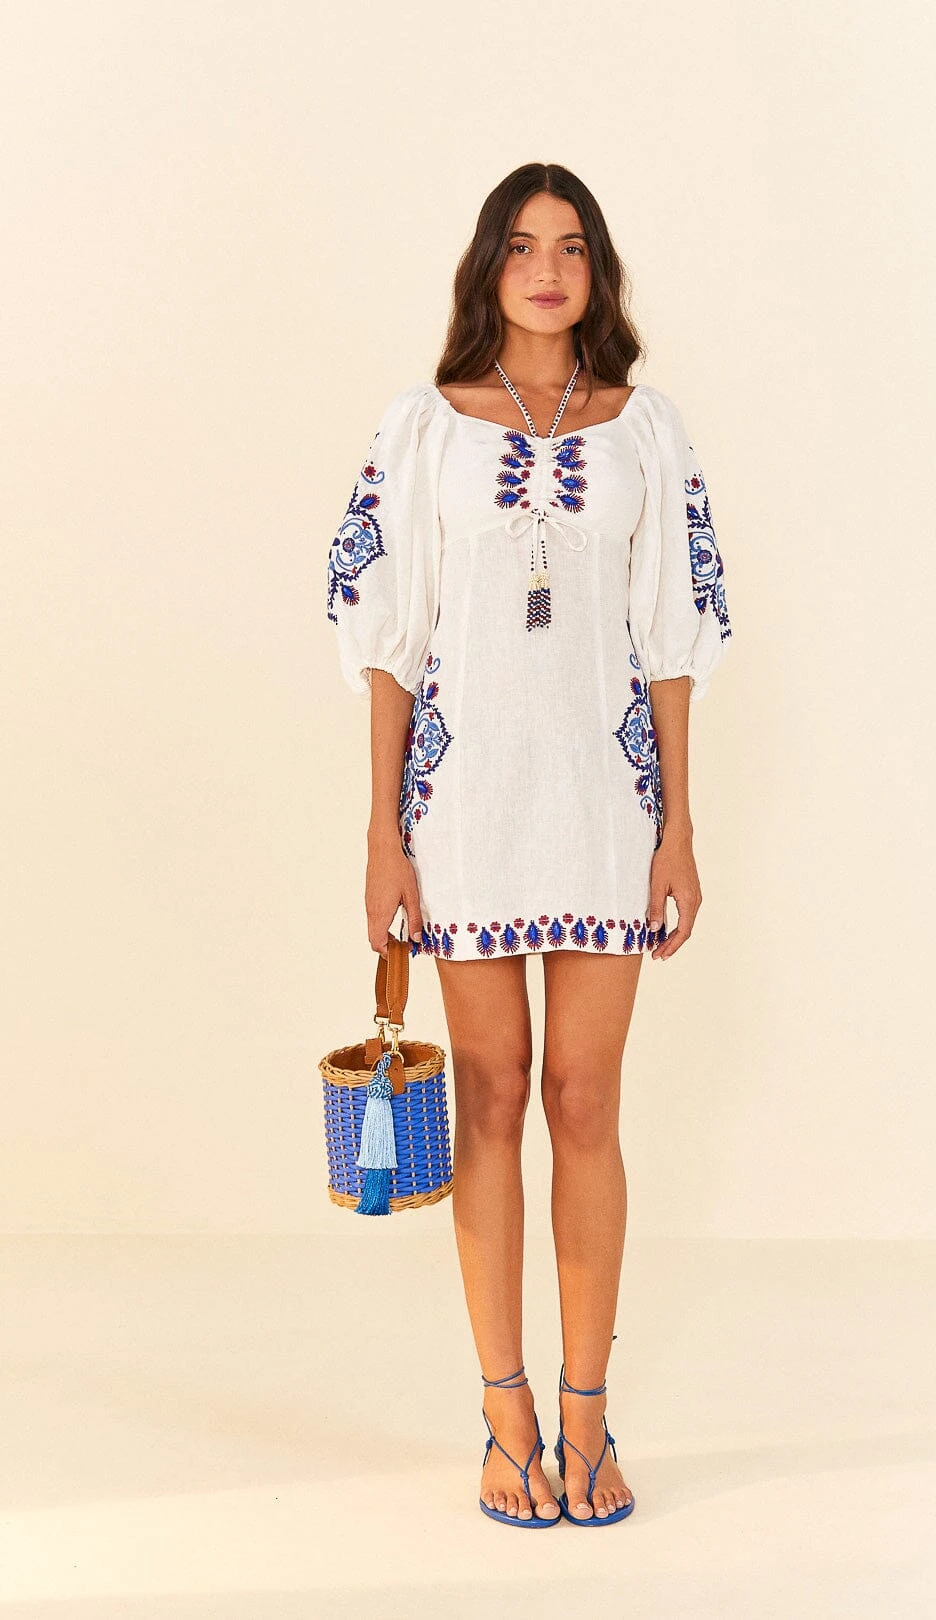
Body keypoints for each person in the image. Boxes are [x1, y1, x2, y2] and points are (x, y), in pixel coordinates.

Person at [326, 162, 733, 1527]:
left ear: (597, 270)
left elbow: (673, 642)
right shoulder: (426, 428)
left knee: (585, 1103)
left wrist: (679, 827)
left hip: (606, 807)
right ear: (486, 268)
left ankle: (589, 1414)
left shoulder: (646, 431)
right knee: (491, 1098)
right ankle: (506, 1419)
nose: (547, 270)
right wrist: (382, 835)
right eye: (520, 245)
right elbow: (390, 646)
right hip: (467, 807)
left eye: (570, 247)